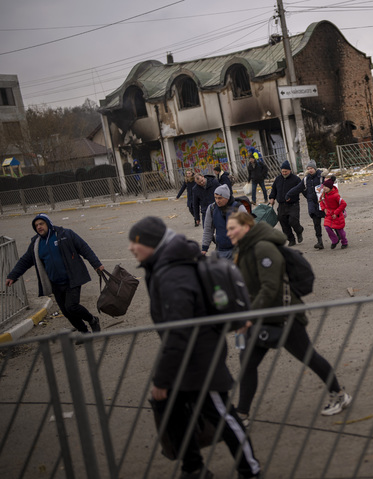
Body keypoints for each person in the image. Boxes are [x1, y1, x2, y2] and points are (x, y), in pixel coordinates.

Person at [128, 216, 261, 479]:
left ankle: (251, 470)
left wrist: (162, 379)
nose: (132, 247)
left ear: (152, 243)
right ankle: (193, 467)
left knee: (224, 417)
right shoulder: (165, 265)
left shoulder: (172, 273)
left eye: (136, 242)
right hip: (186, 356)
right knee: (173, 412)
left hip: (199, 359)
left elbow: (179, 331)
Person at [225, 211, 352, 422]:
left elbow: (270, 287)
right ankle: (242, 414)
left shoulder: (263, 248)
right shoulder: (243, 250)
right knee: (247, 363)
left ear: (246, 227)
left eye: (232, 228)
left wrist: (248, 317)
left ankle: (339, 395)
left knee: (308, 356)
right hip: (262, 317)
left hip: (284, 316)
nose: (228, 232)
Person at [6, 214, 103, 338]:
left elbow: (84, 248)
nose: (39, 227)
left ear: (48, 223)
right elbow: (25, 260)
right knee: (66, 312)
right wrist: (13, 275)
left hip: (72, 279)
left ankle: (92, 320)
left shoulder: (65, 234)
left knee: (71, 306)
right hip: (55, 283)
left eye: (41, 224)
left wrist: (97, 264)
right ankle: (84, 332)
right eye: (36, 225)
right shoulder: (36, 244)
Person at [202, 185, 247, 259]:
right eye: (215, 198)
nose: (217, 201)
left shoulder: (238, 207)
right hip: (221, 249)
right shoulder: (212, 209)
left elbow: (247, 227)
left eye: (220, 198)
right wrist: (204, 248)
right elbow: (208, 229)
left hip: (237, 249)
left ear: (227, 197)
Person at [288, 160, 326, 249]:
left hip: (323, 203)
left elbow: (330, 184)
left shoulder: (321, 177)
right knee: (316, 223)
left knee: (330, 221)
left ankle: (338, 236)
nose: (310, 170)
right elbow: (298, 188)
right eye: (308, 169)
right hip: (312, 204)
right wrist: (289, 194)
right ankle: (320, 242)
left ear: (315, 168)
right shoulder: (306, 179)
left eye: (312, 168)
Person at [268, 160, 304, 246]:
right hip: (281, 205)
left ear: (290, 170)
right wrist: (272, 198)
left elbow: (301, 189)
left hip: (293, 204)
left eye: (285, 171)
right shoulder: (278, 179)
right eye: (282, 171)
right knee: (284, 223)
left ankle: (299, 231)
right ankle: (291, 239)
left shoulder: (296, 179)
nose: (284, 173)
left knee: (293, 221)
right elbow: (274, 190)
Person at [319, 177, 348, 249]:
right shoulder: (323, 194)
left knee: (340, 230)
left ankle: (344, 242)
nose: (325, 188)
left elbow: (343, 204)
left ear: (330, 187)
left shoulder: (336, 195)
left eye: (326, 187)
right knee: (327, 227)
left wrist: (336, 212)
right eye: (324, 186)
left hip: (337, 215)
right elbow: (321, 201)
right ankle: (334, 240)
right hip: (328, 214)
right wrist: (324, 208)